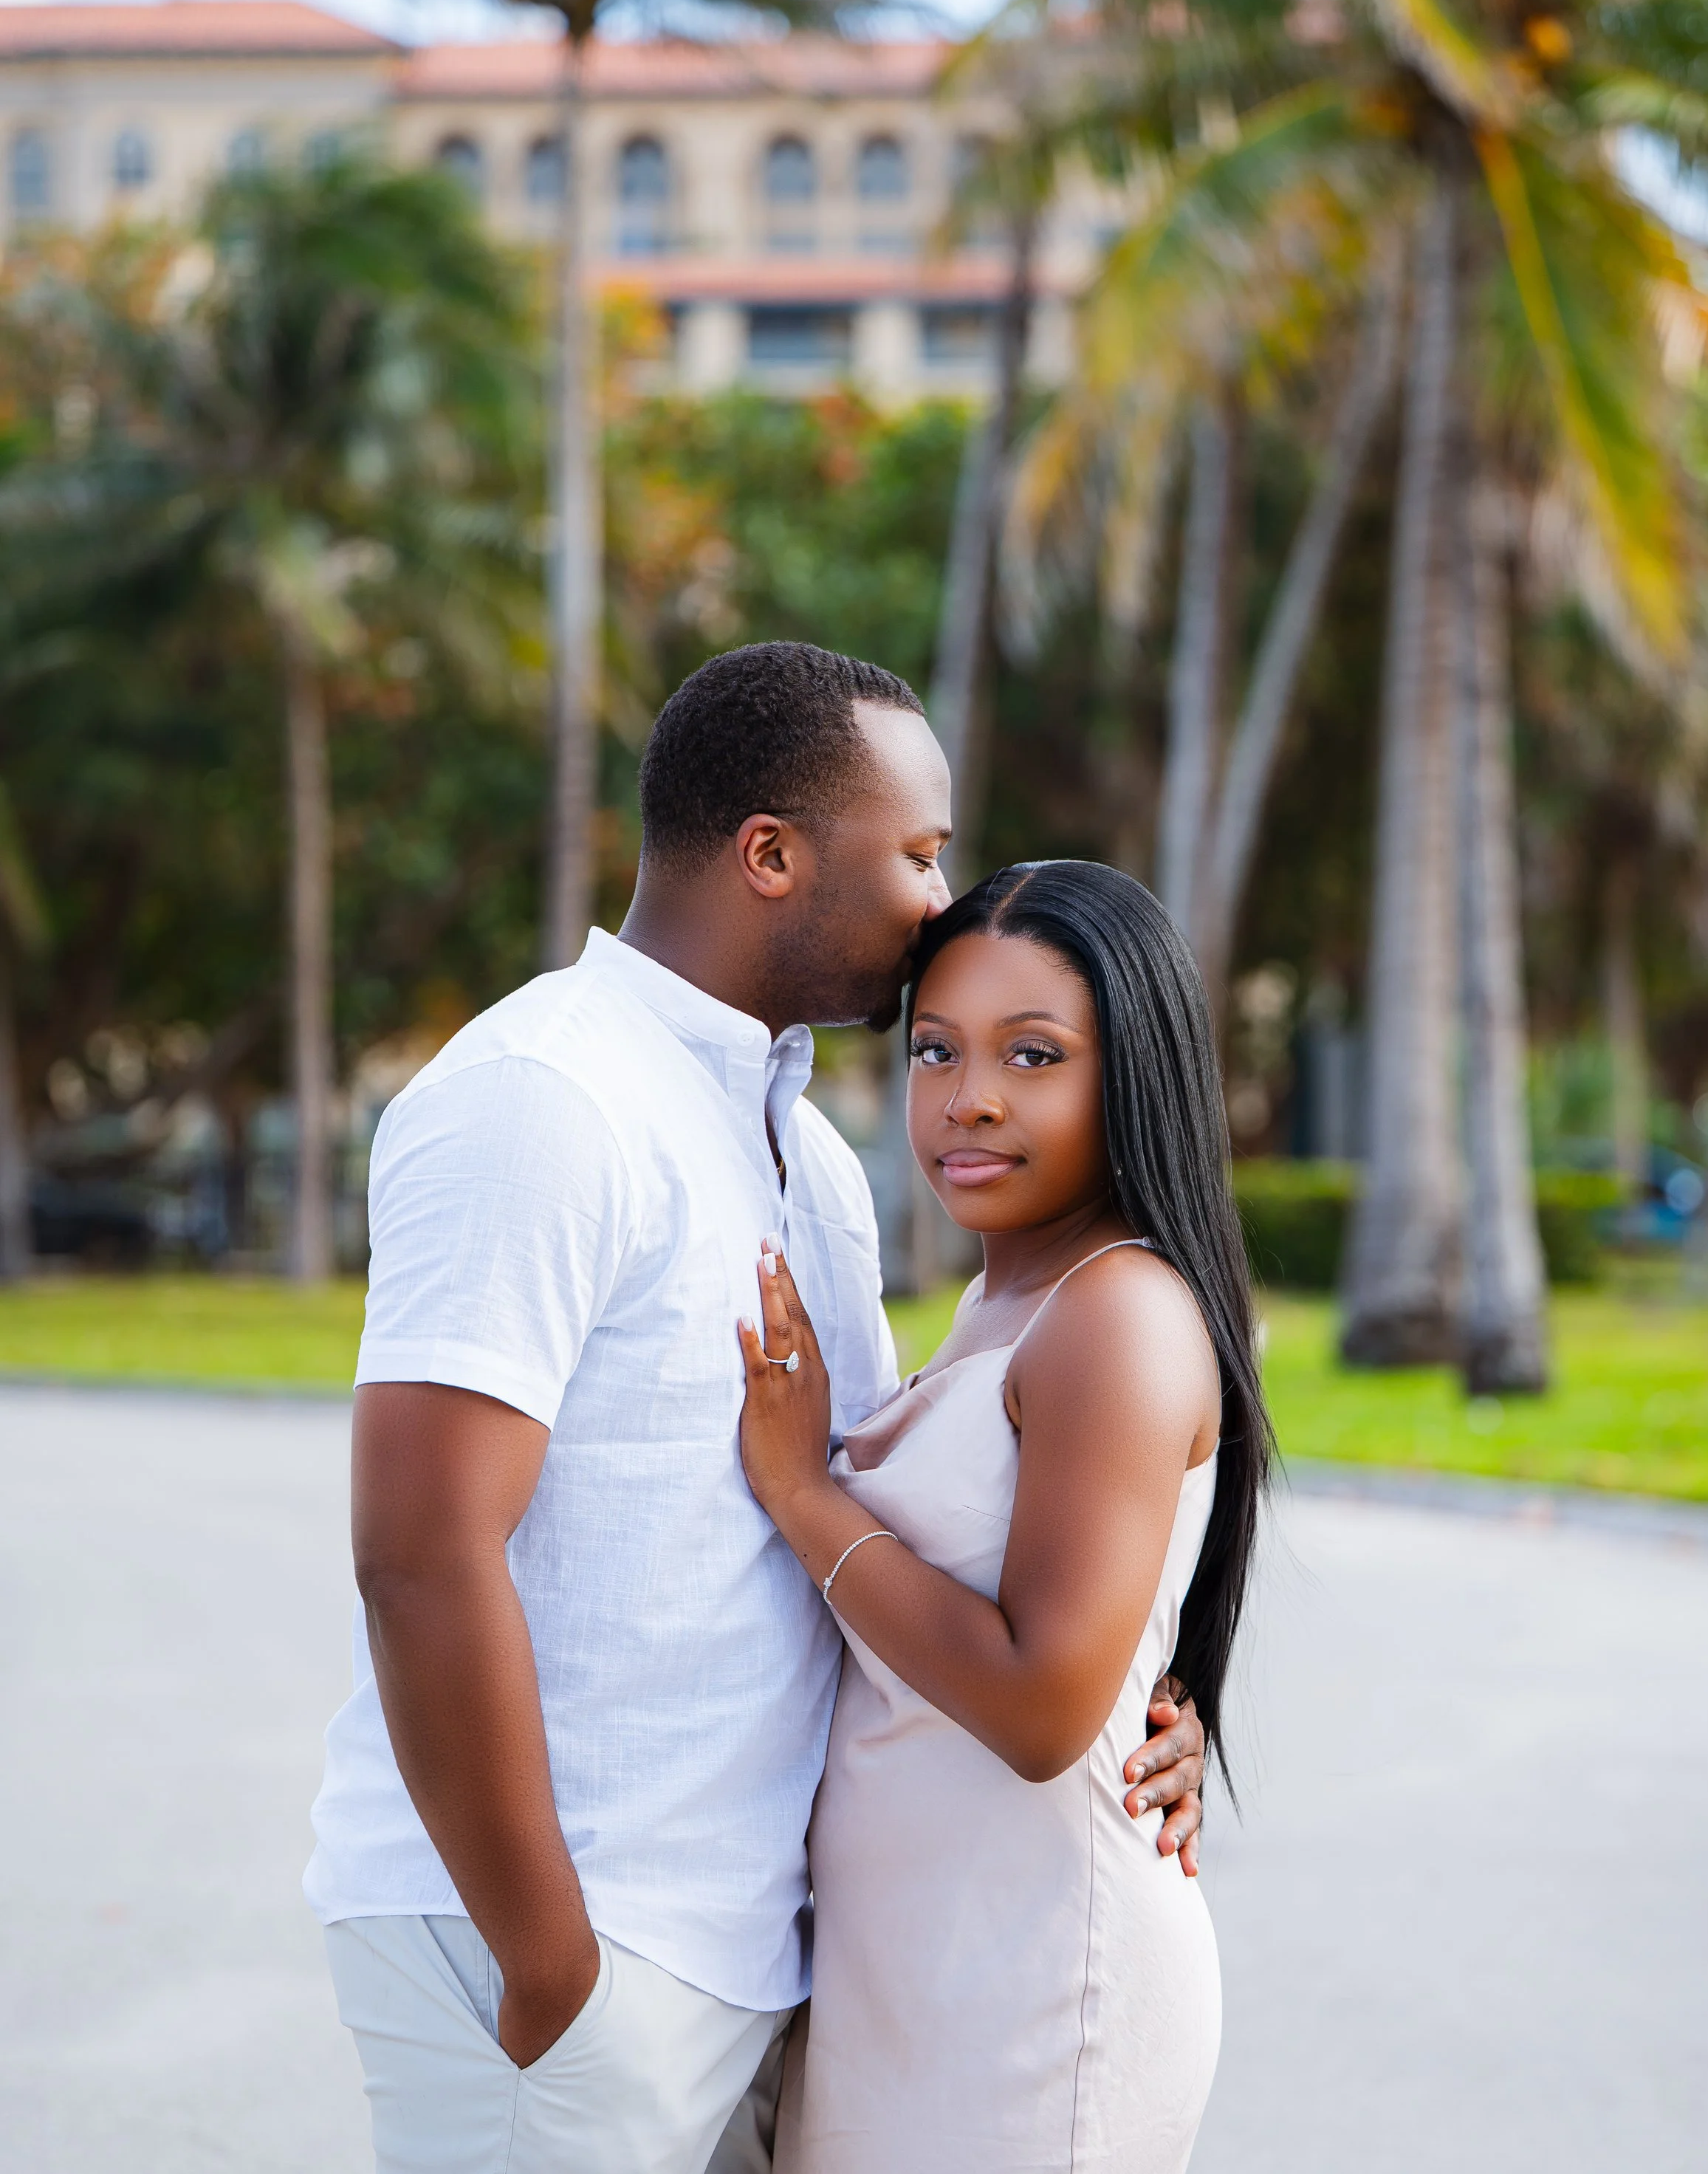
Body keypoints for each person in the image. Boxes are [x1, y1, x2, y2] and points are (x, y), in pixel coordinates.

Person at [305, 645, 1208, 2174]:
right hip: (580, 1937)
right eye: (916, 852)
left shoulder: (808, 1157)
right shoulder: (545, 1093)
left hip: (764, 1956)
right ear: (772, 854)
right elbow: (418, 1546)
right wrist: (549, 1960)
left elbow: (916, 1519)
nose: (940, 897)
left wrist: (1137, 1691)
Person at [737, 857, 1272, 2174]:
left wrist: (805, 1493)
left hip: (1034, 1991)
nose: (967, 1100)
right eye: (936, 1051)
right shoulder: (1008, 1302)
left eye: (1034, 1056)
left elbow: (1043, 1710)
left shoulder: (1118, 1314)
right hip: (916, 1966)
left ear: (1132, 1073)